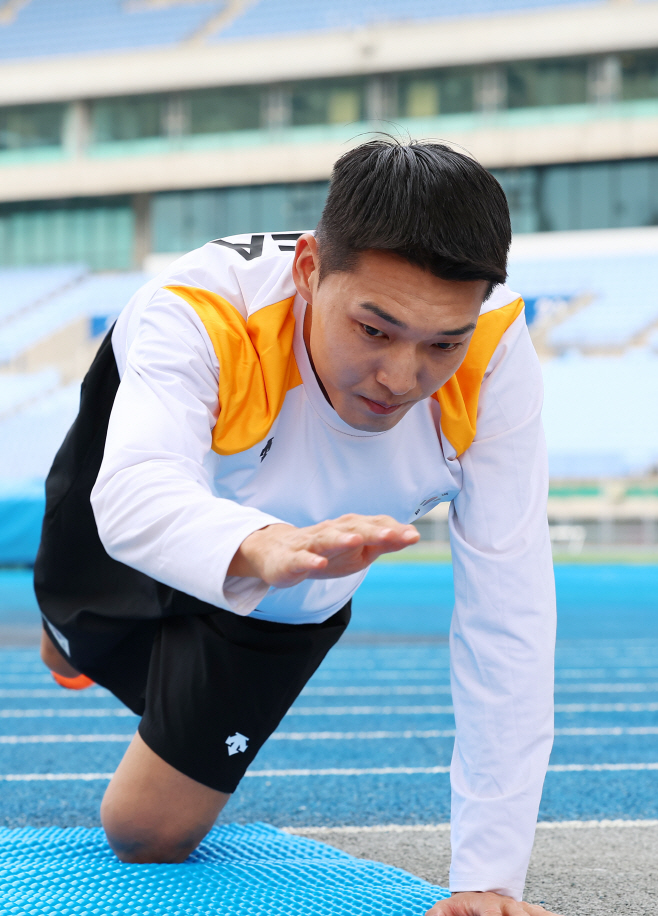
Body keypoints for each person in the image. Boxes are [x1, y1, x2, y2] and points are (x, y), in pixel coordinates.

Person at [36, 139, 557, 916]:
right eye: (375, 330)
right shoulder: (200, 307)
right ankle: (71, 639)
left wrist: (487, 879)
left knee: (145, 834)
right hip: (152, 513)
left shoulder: (494, 364)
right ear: (310, 270)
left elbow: (508, 612)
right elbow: (138, 492)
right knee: (74, 628)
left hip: (300, 583)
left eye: (443, 342)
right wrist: (257, 542)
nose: (402, 377)